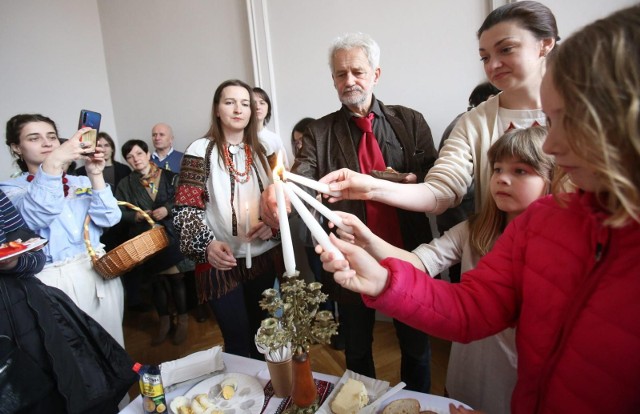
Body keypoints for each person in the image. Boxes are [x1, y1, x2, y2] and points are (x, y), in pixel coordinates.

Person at [320, 5, 640, 412]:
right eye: (484, 56)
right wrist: (382, 275)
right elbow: (443, 202)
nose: (554, 147)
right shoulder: (535, 221)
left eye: (568, 122)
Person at [332, 126, 553, 413]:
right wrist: (368, 238)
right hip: (468, 366)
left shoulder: (554, 249)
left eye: (521, 171)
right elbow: (418, 264)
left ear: (551, 178)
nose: (502, 179)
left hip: (516, 376)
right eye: (497, 169)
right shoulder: (473, 230)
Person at [260, 32, 438, 392]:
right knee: (357, 349)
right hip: (350, 256)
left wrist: (406, 179)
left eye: (357, 71)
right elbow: (300, 175)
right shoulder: (319, 131)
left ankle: (417, 402)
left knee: (417, 348)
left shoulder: (410, 121)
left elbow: (434, 181)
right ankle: (362, 401)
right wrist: (278, 192)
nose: (349, 81)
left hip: (409, 254)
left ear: (376, 73)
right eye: (340, 74)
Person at [320, 1, 558, 220]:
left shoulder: (584, 115)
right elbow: (442, 189)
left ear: (545, 44)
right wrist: (372, 187)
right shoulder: (473, 122)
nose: (493, 65)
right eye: (484, 57)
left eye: (506, 49)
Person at [174, 79, 284, 359]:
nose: (238, 109)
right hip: (220, 261)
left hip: (262, 257)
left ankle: (267, 396)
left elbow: (281, 201)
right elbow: (187, 209)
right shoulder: (200, 150)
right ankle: (241, 398)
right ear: (217, 109)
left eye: (245, 103)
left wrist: (272, 226)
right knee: (236, 340)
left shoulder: (265, 150)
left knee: (264, 336)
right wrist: (207, 246)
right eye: (229, 102)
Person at [0, 189, 136, 413]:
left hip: (31, 311)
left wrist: (14, 264)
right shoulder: (13, 189)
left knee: (79, 386)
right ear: (17, 150)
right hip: (40, 291)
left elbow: (34, 255)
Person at [1, 114, 125, 347]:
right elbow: (36, 215)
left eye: (52, 137)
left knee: (113, 345)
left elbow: (109, 218)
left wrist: (95, 174)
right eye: (34, 138)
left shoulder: (79, 182)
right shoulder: (10, 190)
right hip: (52, 279)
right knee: (76, 355)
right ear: (17, 148)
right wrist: (54, 163)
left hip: (98, 270)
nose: (47, 143)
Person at [116, 139, 189, 345]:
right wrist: (136, 217)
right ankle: (164, 321)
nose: (135, 159)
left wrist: (167, 209)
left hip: (170, 236)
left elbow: (183, 199)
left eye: (139, 154)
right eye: (130, 157)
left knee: (176, 279)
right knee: (155, 282)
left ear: (148, 154)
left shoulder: (169, 176)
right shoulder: (125, 184)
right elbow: (118, 212)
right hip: (145, 240)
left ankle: (182, 321)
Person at [436, 82, 500, 283]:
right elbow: (460, 182)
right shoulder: (466, 125)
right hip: (462, 219)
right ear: (490, 99)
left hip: (463, 220)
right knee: (462, 280)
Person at [75, 131, 132, 252]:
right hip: (97, 225)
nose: (103, 149)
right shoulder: (80, 172)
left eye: (106, 145)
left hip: (123, 221)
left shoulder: (124, 169)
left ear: (112, 148)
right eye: (99, 145)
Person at [253, 87, 289, 168]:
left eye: (262, 103)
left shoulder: (274, 138)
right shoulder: (240, 137)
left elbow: (284, 168)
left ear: (268, 108)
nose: (258, 107)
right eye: (253, 103)